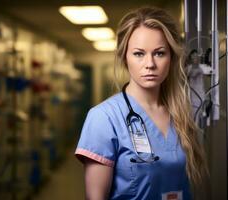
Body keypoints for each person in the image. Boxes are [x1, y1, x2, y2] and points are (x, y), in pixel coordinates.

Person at [75, 6, 208, 200]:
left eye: (159, 53)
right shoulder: (104, 118)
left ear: (171, 58)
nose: (150, 64)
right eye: (139, 54)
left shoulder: (181, 112)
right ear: (124, 57)